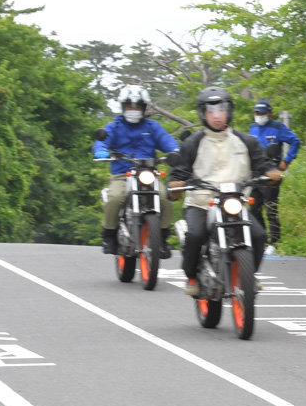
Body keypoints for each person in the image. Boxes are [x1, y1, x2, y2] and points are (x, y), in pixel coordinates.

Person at [167, 87, 281, 298]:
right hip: (201, 202)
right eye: (211, 111)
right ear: (203, 114)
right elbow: (179, 172)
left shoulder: (245, 141)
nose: (217, 115)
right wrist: (175, 185)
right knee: (195, 235)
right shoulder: (193, 142)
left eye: (221, 109)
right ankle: (191, 276)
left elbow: (262, 163)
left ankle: (249, 275)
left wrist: (272, 172)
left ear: (229, 111)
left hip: (235, 201)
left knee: (259, 235)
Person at [92, 85, 179, 257]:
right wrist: (100, 150)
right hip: (122, 175)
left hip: (148, 173)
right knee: (115, 198)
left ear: (144, 108)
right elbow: (102, 141)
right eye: (129, 106)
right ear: (123, 107)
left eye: (137, 106)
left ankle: (162, 238)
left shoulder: (152, 127)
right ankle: (109, 235)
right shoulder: (114, 126)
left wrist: (175, 151)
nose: (133, 110)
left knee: (165, 198)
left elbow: (167, 140)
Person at [246, 99, 301, 247]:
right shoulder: (252, 128)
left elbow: (295, 141)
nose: (259, 115)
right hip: (255, 173)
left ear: (270, 114)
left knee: (270, 208)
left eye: (262, 113)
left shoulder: (277, 127)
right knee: (254, 207)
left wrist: (287, 161)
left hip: (272, 173)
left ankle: (274, 242)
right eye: (257, 113)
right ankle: (261, 239)